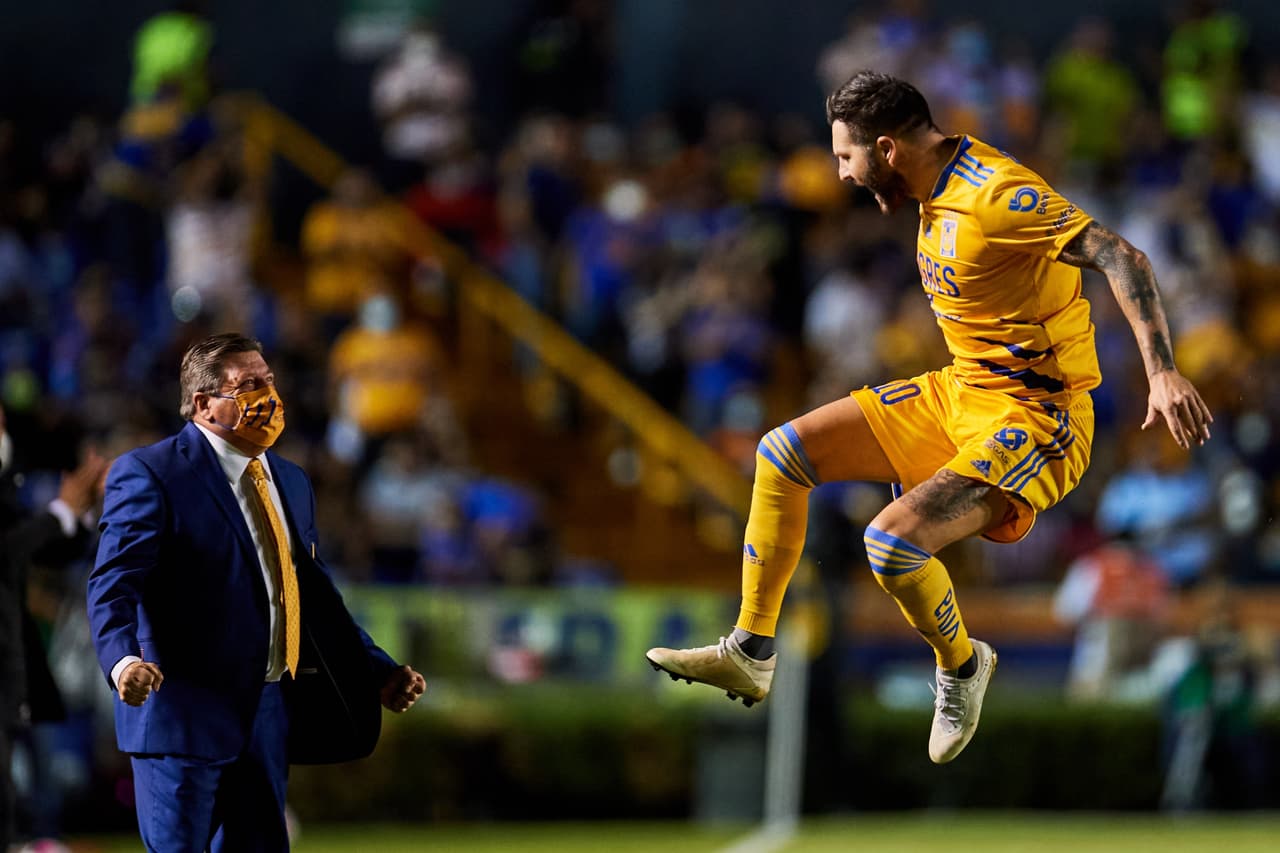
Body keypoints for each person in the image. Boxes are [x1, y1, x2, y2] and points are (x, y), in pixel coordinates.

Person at [647, 71, 1213, 764]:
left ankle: (963, 667)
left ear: (887, 148)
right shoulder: (932, 189)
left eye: (846, 156)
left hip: (1039, 417)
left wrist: (1162, 372)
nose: (840, 173)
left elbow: (1120, 254)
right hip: (960, 392)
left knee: (890, 545)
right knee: (781, 454)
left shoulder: (996, 195)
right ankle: (750, 651)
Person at [87, 333, 426, 851]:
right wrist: (122, 661)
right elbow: (112, 583)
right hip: (181, 714)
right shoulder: (153, 473)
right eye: (248, 385)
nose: (268, 394)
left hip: (266, 713)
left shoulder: (290, 480)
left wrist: (376, 670)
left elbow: (311, 599)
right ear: (204, 403)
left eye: (268, 380)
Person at [1, 405, 108, 849]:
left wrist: (80, 509)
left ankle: (32, 837)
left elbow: (45, 551)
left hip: (13, 657)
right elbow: (10, 549)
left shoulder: (8, 483)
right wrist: (60, 511)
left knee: (24, 765)